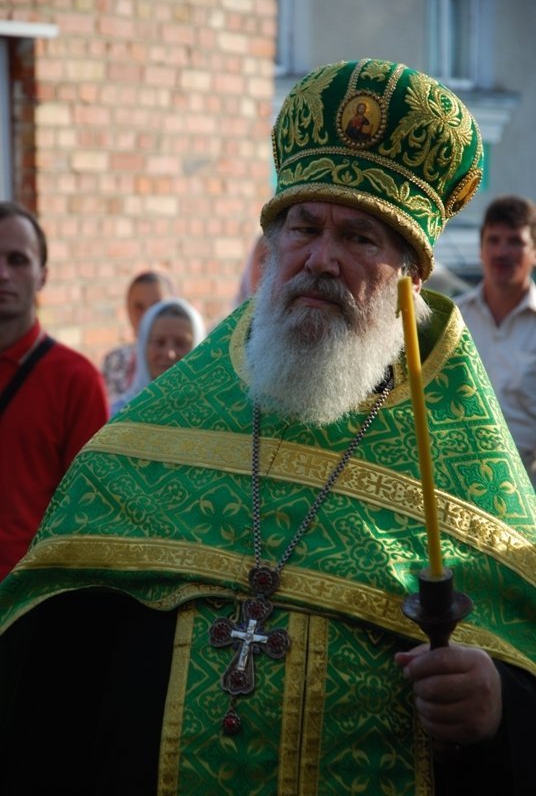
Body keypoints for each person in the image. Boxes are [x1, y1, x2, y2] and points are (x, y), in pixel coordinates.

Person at [0, 59, 534, 796]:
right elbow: (56, 666)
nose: (321, 259)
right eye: (304, 228)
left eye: (360, 239)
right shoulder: (158, 430)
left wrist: (500, 708)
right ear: (272, 248)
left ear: (412, 278)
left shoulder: (462, 466)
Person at [0, 201, 108, 580]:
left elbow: (88, 513)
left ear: (42, 275)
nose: (3, 274)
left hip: (23, 602)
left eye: (17, 260)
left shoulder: (75, 379)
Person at [456, 195, 536, 486]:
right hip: (459, 473)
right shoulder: (454, 320)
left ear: (534, 251)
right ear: (481, 250)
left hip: (527, 479)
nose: (502, 252)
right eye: (494, 240)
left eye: (515, 241)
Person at [111, 297, 206, 415]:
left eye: (181, 344)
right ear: (143, 347)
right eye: (159, 342)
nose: (169, 354)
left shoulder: (216, 415)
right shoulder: (120, 416)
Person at [102, 270, 174, 404]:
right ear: (128, 310)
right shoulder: (114, 362)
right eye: (138, 307)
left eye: (156, 306)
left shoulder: (184, 359)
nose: (147, 314)